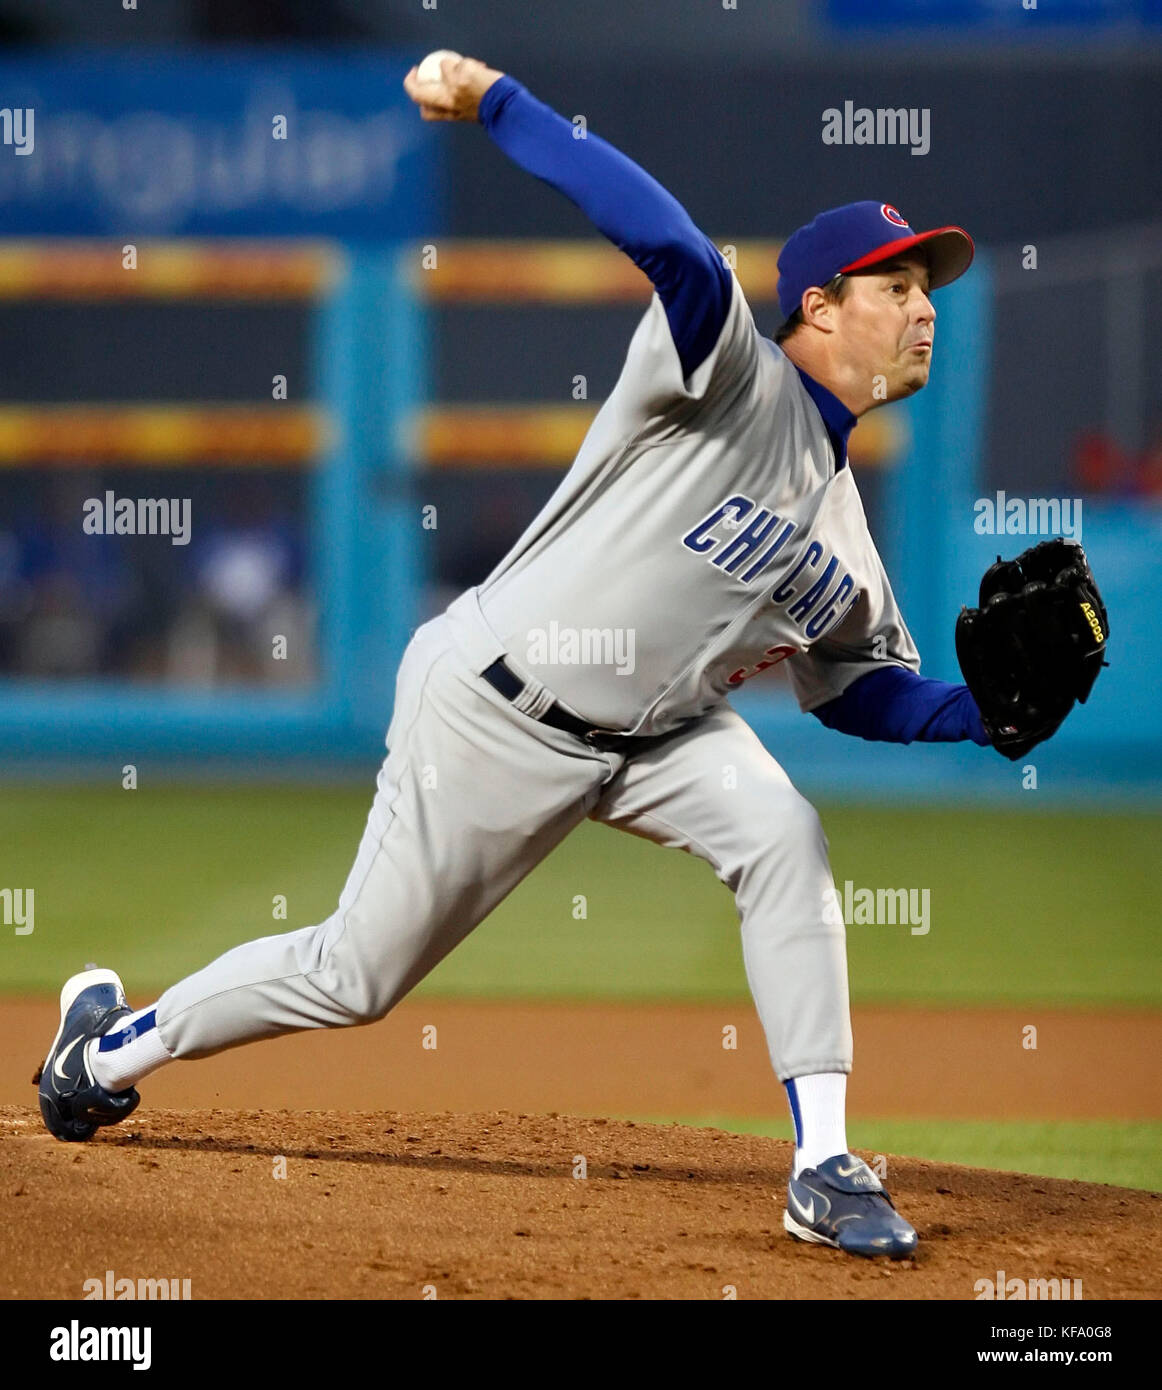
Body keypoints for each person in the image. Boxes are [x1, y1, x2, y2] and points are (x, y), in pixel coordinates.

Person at [37, 58, 989, 1262]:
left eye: (927, 287)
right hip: (494, 706)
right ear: (816, 310)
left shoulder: (845, 531)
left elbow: (865, 690)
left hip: (655, 740)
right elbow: (677, 250)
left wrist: (986, 714)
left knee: (781, 835)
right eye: (894, 284)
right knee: (354, 976)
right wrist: (496, 101)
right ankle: (108, 1046)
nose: (923, 307)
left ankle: (822, 1164)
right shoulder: (731, 375)